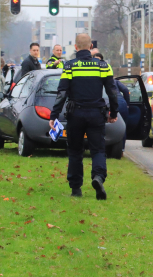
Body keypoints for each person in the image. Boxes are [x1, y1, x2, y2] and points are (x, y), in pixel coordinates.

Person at [49, 33, 118, 199]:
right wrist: (113, 112)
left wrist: (54, 115)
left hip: (75, 114)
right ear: (91, 47)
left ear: (75, 47)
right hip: (96, 114)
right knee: (98, 150)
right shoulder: (103, 66)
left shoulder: (70, 66)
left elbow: (62, 93)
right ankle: (98, 177)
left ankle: (76, 189)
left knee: (75, 151)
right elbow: (112, 92)